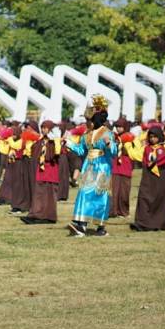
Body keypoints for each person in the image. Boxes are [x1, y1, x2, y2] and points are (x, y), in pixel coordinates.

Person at [66, 96, 116, 237]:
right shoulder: (86, 135)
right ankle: (81, 224)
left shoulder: (107, 133)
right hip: (89, 167)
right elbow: (81, 150)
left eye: (88, 120)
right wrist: (69, 144)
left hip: (103, 167)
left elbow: (114, 152)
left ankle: (101, 227)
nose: (86, 123)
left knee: (101, 196)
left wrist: (108, 144)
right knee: (84, 193)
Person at [129, 126, 165, 231]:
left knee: (159, 200)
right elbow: (134, 154)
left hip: (161, 178)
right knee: (144, 198)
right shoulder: (146, 149)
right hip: (148, 178)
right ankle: (142, 223)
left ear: (160, 137)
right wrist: (141, 137)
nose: (152, 139)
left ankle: (157, 223)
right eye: (151, 137)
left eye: (155, 137)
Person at [21, 121, 62, 224]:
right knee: (39, 193)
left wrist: (56, 140)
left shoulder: (55, 141)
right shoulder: (41, 140)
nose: (43, 130)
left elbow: (56, 154)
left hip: (51, 171)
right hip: (41, 171)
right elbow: (34, 151)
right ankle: (36, 214)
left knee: (50, 195)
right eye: (42, 128)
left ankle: (49, 216)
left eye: (45, 128)